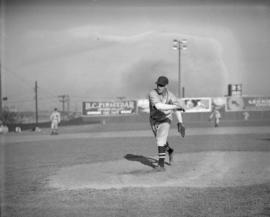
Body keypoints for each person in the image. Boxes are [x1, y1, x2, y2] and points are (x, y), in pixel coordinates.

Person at [149, 76, 185, 172]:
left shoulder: (171, 96)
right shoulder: (153, 93)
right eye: (158, 84)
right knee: (161, 140)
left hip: (166, 119)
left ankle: (161, 165)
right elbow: (158, 106)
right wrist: (175, 106)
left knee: (160, 140)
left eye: (161, 85)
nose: (159, 87)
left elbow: (177, 109)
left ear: (165, 86)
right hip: (153, 120)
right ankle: (170, 150)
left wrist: (180, 122)